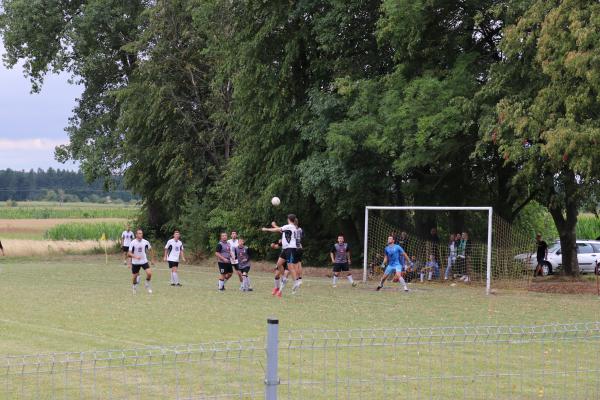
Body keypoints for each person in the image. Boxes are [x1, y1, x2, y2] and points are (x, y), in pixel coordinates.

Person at [261, 214, 300, 297]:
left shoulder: (289, 226)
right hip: (285, 249)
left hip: (290, 249)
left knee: (290, 267)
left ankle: (296, 282)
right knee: (279, 264)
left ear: (289, 219)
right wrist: (274, 225)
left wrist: (266, 229)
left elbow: (277, 229)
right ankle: (284, 279)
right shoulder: (291, 227)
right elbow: (281, 230)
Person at [127, 229, 155, 294]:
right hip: (135, 262)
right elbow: (129, 253)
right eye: (139, 233)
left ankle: (147, 284)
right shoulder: (133, 243)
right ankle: (134, 287)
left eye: (141, 233)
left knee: (149, 273)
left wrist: (152, 259)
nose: (141, 234)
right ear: (136, 235)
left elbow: (150, 250)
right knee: (134, 277)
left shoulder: (146, 242)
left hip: (144, 261)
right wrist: (135, 257)